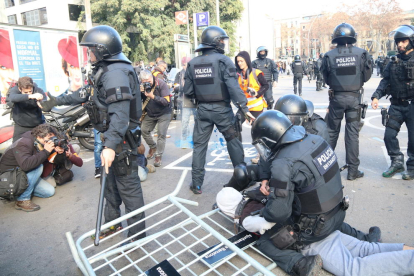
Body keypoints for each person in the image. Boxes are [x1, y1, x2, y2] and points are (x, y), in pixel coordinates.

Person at [41, 25, 145, 240]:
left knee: (129, 189)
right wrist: (54, 102)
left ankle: (138, 236)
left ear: (102, 49)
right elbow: (84, 94)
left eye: (90, 50)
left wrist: (109, 146)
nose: (88, 54)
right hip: (111, 138)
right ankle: (112, 224)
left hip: (120, 141)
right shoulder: (104, 70)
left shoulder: (115, 73)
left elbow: (120, 114)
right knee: (109, 186)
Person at [183, 26, 255, 194]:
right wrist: (244, 108)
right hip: (222, 110)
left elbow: (188, 92)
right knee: (233, 140)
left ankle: (197, 184)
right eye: (221, 40)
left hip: (202, 110)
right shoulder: (223, 60)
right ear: (215, 42)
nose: (223, 43)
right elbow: (233, 87)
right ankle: (242, 178)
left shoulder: (192, 64)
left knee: (200, 146)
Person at [322, 23, 372, 181]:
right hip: (353, 98)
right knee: (352, 135)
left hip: (336, 98)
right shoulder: (362, 53)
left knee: (331, 132)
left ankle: (325, 170)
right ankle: (353, 171)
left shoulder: (329, 55)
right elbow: (367, 74)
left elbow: (325, 76)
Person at [371, 25, 414, 180]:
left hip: (412, 105)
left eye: (403, 41)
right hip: (396, 105)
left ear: (411, 40)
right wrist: (376, 96)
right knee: (389, 135)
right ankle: (396, 161)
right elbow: (385, 81)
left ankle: (412, 167)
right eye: (398, 42)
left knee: (413, 139)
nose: (400, 45)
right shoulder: (393, 61)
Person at [0, 124, 56, 211]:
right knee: (38, 166)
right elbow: (26, 165)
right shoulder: (24, 143)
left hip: (21, 172)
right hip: (9, 176)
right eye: (50, 138)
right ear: (40, 135)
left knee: (49, 192)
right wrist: (45, 152)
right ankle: (22, 200)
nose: (51, 141)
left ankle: (19, 191)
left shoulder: (38, 142)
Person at [140, 69, 171, 167]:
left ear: (152, 77)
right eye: (145, 83)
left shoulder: (161, 84)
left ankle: (158, 156)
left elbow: (167, 102)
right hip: (151, 113)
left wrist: (153, 96)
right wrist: (139, 92)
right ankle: (153, 147)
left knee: (161, 134)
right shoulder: (141, 86)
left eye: (149, 82)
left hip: (164, 113)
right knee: (143, 130)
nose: (147, 84)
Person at [6, 76, 46, 142]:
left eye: (30, 91)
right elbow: (12, 97)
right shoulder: (15, 89)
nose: (28, 93)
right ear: (19, 89)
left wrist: (41, 102)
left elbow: (45, 104)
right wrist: (30, 96)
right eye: (26, 92)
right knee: (17, 147)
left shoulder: (38, 90)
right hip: (21, 125)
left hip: (38, 124)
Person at [235, 51, 269, 118]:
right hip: (244, 106)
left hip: (256, 106)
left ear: (247, 61)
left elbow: (266, 85)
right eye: (238, 61)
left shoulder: (256, 73)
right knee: (236, 125)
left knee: (255, 127)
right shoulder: (237, 74)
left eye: (241, 61)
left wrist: (257, 93)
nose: (239, 63)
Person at [174, 56, 196, 149]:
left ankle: (196, 139)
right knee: (185, 122)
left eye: (187, 64)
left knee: (197, 121)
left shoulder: (195, 73)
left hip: (195, 100)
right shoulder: (179, 74)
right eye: (184, 64)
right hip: (185, 100)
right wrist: (180, 88)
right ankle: (184, 140)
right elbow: (176, 87)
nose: (185, 66)